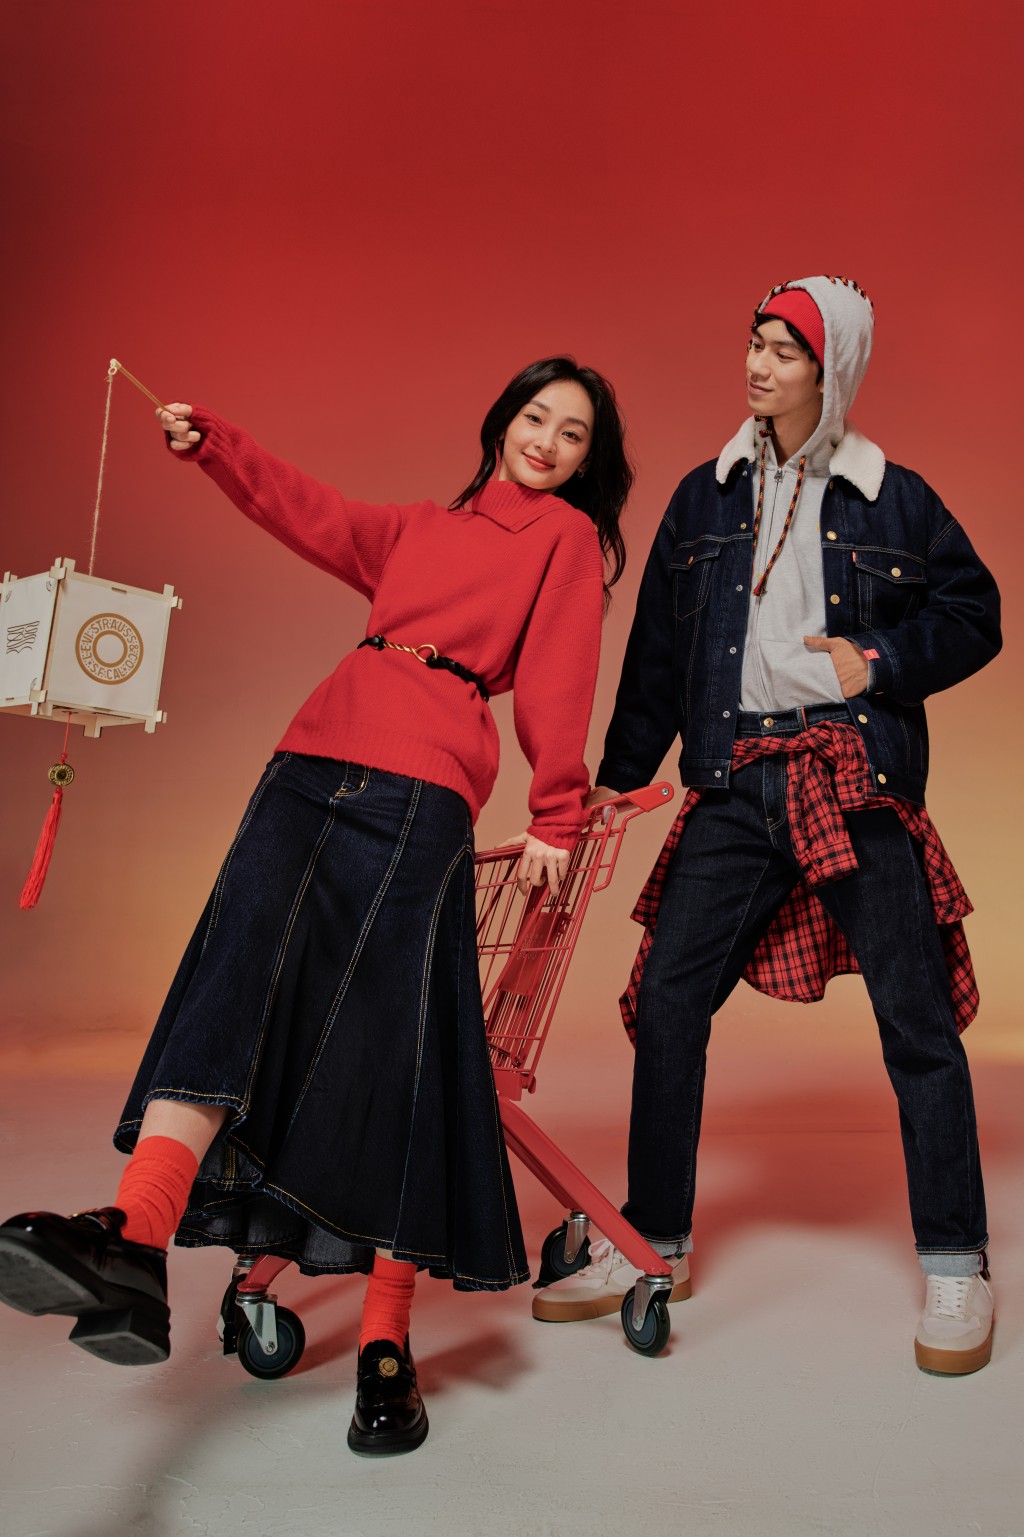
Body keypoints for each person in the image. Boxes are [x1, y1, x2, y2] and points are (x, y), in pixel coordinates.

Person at [0, 356, 633, 1453]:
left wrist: (557, 811)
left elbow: (562, 674)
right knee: (229, 983)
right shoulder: (415, 529)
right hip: (306, 760)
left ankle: (387, 1336)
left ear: (586, 461)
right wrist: (216, 447)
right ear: (500, 421)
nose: (546, 440)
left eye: (571, 434)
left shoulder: (566, 539)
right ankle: (131, 1234)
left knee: (391, 1053)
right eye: (535, 417)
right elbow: (307, 509)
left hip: (424, 787)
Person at [533, 277, 1002, 1376]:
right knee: (667, 999)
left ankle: (956, 1260)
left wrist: (878, 660)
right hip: (736, 776)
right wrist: (615, 778)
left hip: (848, 771)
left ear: (832, 371)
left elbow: (975, 612)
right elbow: (657, 655)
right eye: (754, 342)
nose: (758, 364)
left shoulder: (894, 497)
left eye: (786, 351)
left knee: (916, 1019)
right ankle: (656, 1238)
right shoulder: (703, 498)